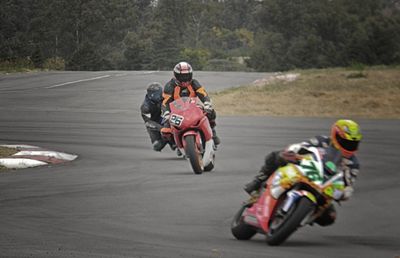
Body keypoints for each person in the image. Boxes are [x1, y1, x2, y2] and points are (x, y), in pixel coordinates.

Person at [244, 119, 362, 226]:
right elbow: (302, 146)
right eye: (346, 142)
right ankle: (257, 182)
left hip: (324, 188)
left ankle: (301, 213)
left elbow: (348, 183)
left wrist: (344, 192)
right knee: (276, 156)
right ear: (336, 135)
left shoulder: (353, 163)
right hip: (306, 171)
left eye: (353, 143)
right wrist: (291, 152)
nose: (349, 146)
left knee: (329, 218)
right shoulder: (322, 141)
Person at [160, 61, 220, 145]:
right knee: (165, 131)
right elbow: (165, 102)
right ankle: (175, 143)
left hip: (193, 109)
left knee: (211, 113)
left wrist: (207, 103)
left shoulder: (194, 83)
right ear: (176, 76)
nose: (184, 79)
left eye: (186, 76)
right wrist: (166, 113)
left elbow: (203, 94)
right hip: (176, 112)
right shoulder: (170, 86)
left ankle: (212, 132)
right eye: (181, 76)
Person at [140, 82, 168, 151]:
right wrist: (161, 128)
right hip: (155, 123)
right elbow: (148, 122)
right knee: (157, 146)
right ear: (150, 95)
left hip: (165, 117)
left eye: (160, 93)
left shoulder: (165, 97)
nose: (160, 95)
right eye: (157, 94)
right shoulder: (145, 107)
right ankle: (159, 140)